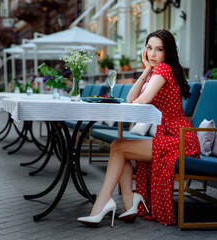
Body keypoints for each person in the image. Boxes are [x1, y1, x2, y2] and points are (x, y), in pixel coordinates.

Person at [77, 30, 200, 227]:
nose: (152, 54)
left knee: (119, 147)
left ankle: (103, 203)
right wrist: (145, 70)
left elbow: (142, 100)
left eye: (158, 49)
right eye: (149, 48)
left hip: (178, 138)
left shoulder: (164, 70)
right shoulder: (157, 70)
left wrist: (150, 71)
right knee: (120, 146)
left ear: (167, 52)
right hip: (172, 134)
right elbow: (130, 99)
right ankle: (129, 204)